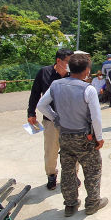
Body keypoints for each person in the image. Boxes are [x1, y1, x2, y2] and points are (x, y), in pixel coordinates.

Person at [36, 53, 107, 217]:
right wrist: (100, 137)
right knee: (92, 170)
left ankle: (70, 204)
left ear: (69, 68)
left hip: (65, 135)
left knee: (67, 171)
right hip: (84, 137)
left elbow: (41, 105)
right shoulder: (88, 89)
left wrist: (56, 118)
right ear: (87, 70)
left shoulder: (55, 85)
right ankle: (92, 203)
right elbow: (96, 117)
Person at [27, 48, 74, 190]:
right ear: (58, 61)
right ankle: (51, 175)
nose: (70, 64)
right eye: (68, 61)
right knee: (51, 150)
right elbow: (35, 93)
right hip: (50, 120)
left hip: (70, 120)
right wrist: (31, 112)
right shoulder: (44, 73)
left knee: (72, 150)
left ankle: (73, 175)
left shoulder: (73, 74)